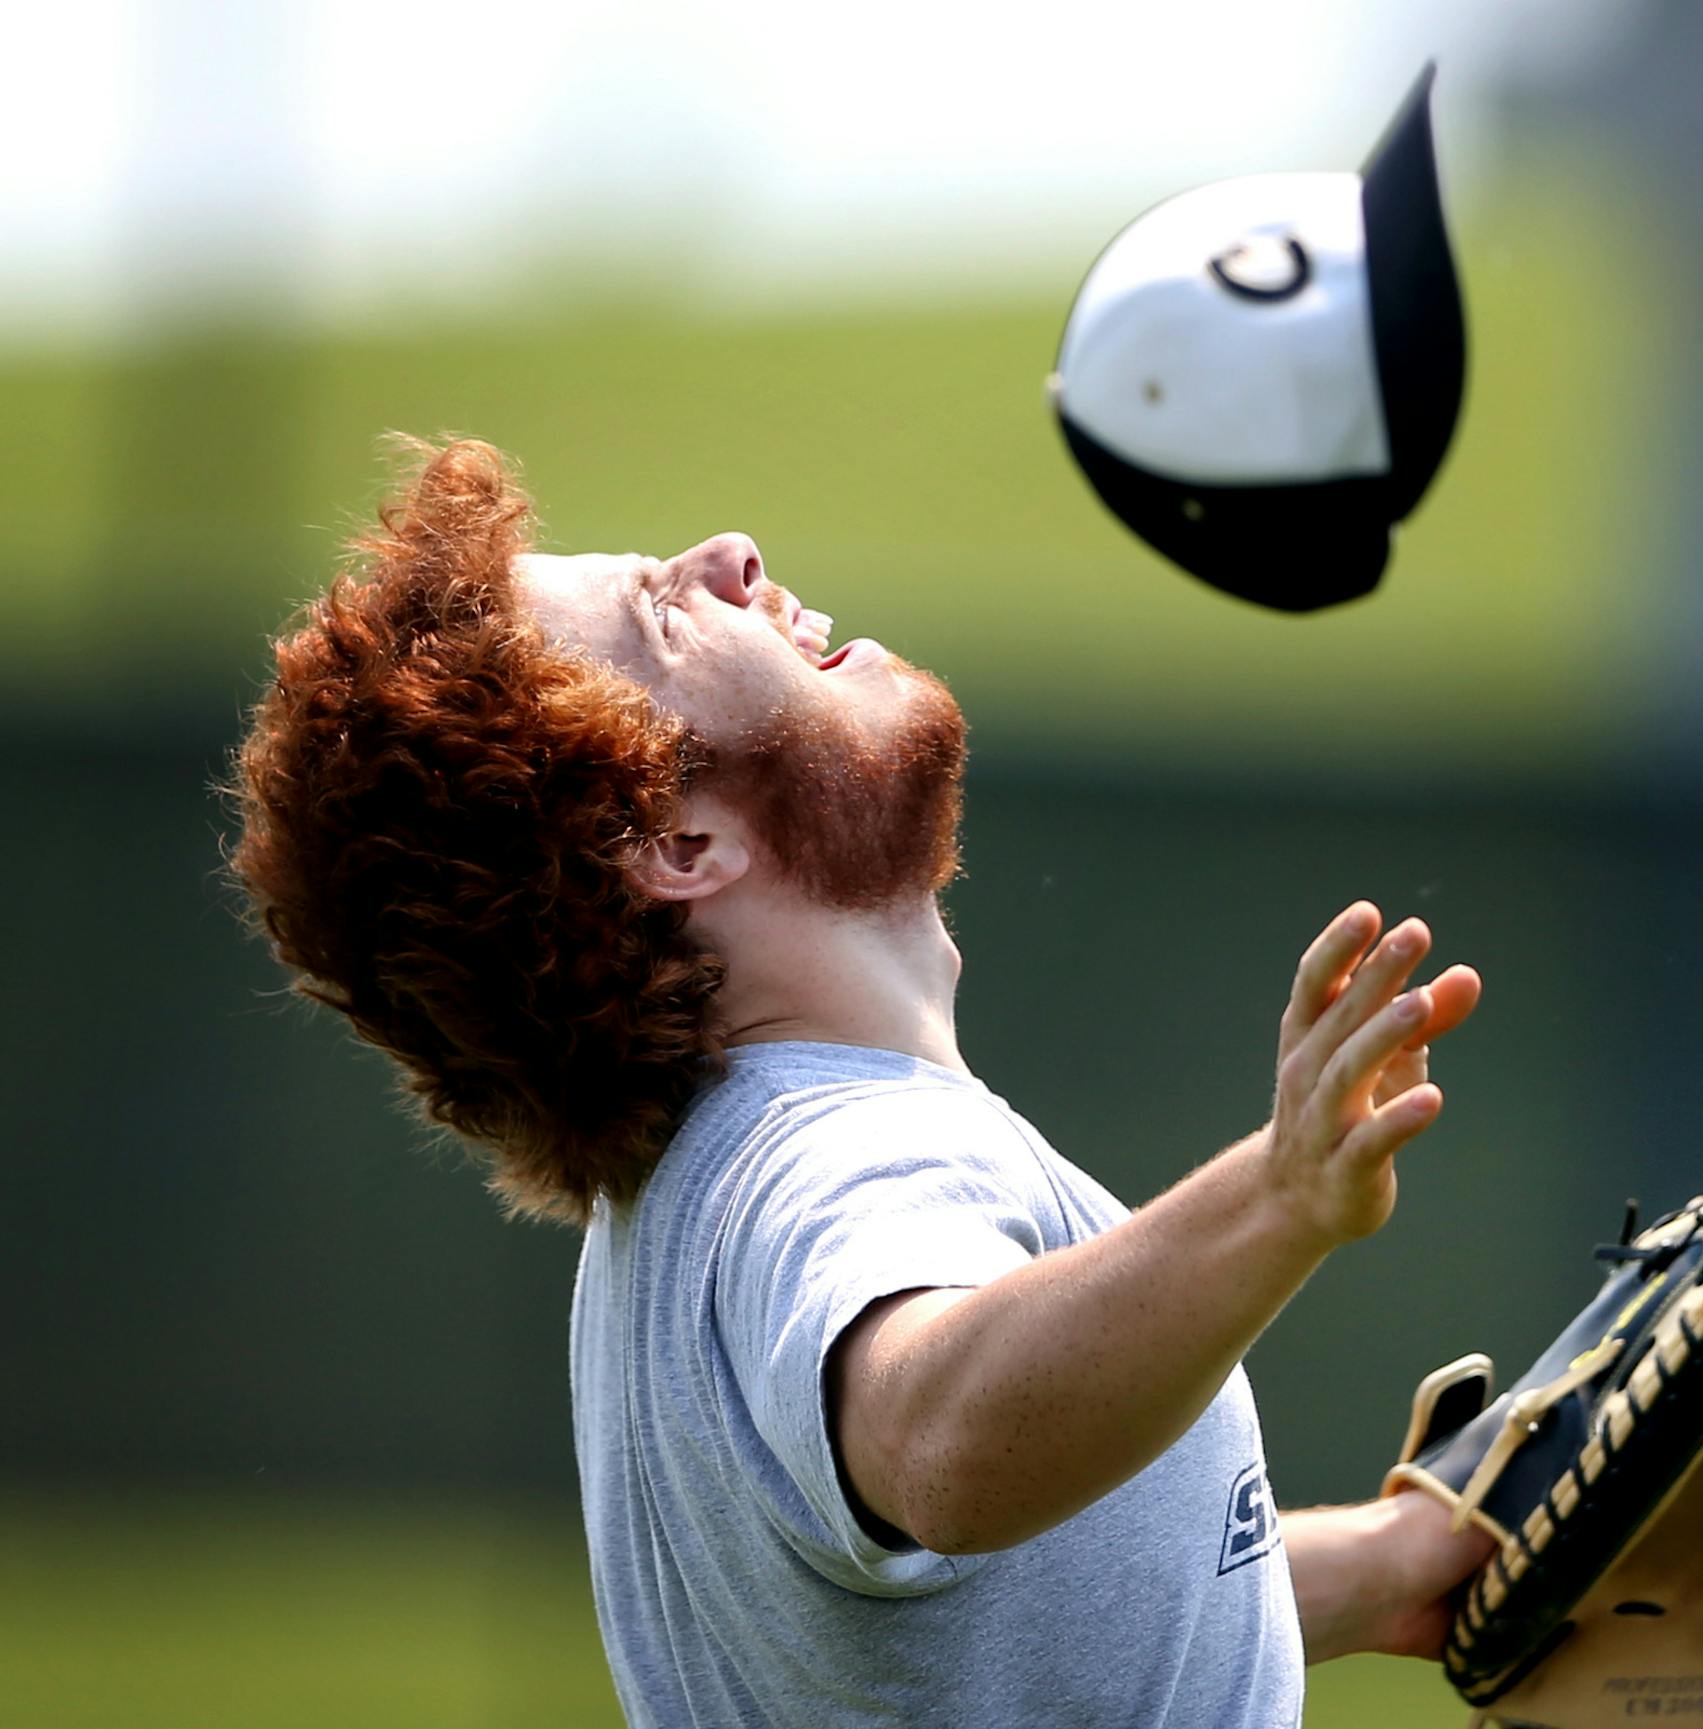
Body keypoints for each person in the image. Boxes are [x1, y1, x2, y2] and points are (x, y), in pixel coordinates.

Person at [231, 437, 1494, 1726]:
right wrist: (1277, 1199)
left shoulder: (695, 1197)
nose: (729, 554)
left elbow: (997, 1616)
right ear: (679, 841)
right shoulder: (833, 1158)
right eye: (664, 614)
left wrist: (1393, 1572)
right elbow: (939, 1440)